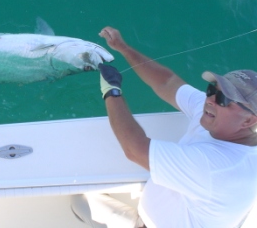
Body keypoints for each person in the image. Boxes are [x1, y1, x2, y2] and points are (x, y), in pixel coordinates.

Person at [95, 26, 257, 227]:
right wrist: (124, 48)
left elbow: (135, 149)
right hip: (146, 218)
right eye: (212, 89)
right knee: (81, 205)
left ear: (249, 121)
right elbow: (168, 83)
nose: (210, 99)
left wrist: (111, 92)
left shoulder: (218, 167)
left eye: (224, 98)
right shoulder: (220, 118)